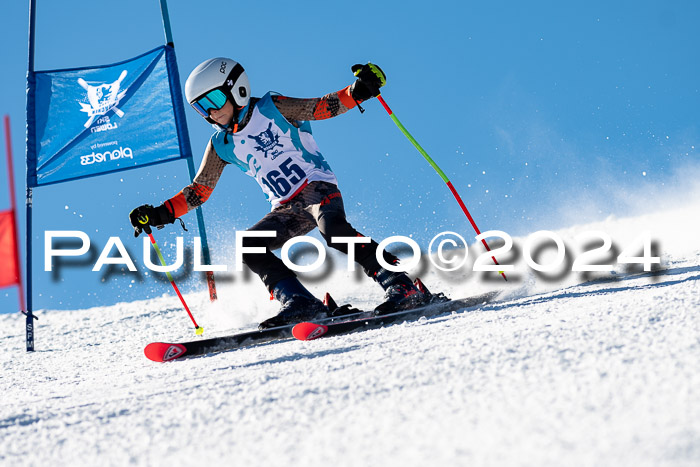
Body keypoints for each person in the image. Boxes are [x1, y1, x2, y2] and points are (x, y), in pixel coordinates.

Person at [129, 58, 428, 329]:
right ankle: (301, 303)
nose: (212, 111)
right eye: (201, 107)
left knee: (334, 229)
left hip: (317, 187)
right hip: (286, 208)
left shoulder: (272, 108)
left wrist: (358, 90)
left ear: (238, 90)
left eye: (215, 99)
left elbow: (320, 107)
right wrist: (159, 213)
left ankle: (400, 285)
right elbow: (199, 191)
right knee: (249, 246)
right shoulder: (221, 144)